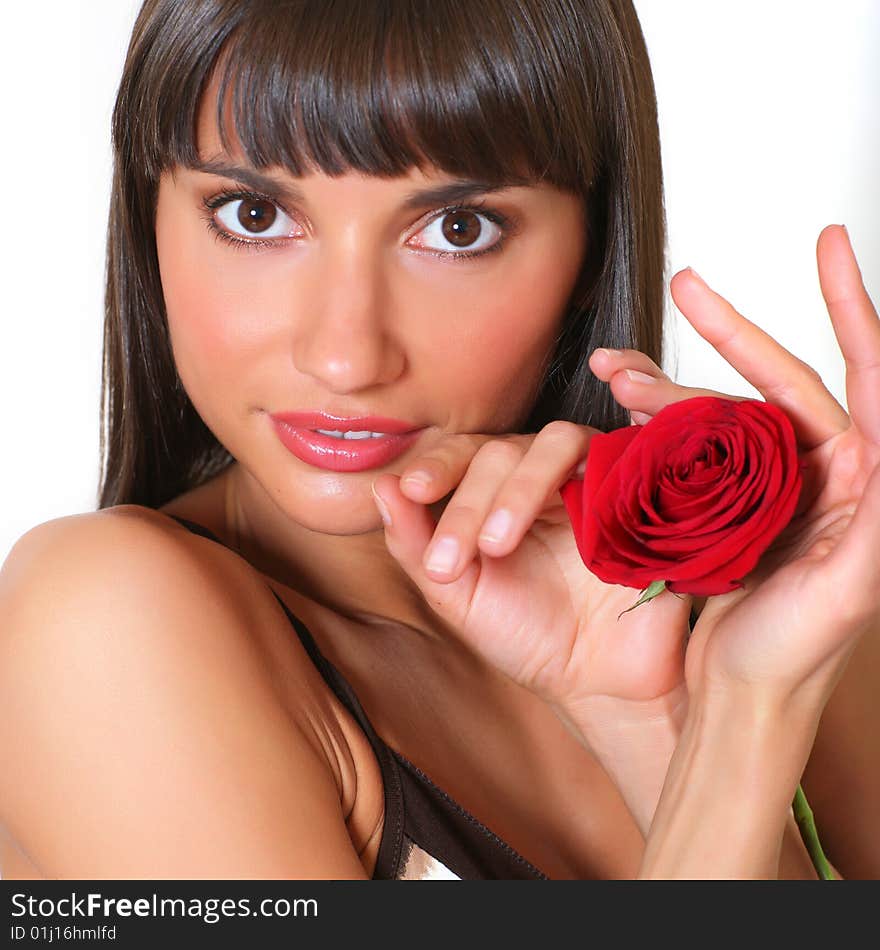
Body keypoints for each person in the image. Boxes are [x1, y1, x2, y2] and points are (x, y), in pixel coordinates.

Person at [0, 0, 877, 880]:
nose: (345, 356)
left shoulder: (778, 619)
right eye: (254, 215)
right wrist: (739, 732)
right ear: (148, 216)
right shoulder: (102, 626)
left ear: (592, 244)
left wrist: (658, 717)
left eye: (458, 230)